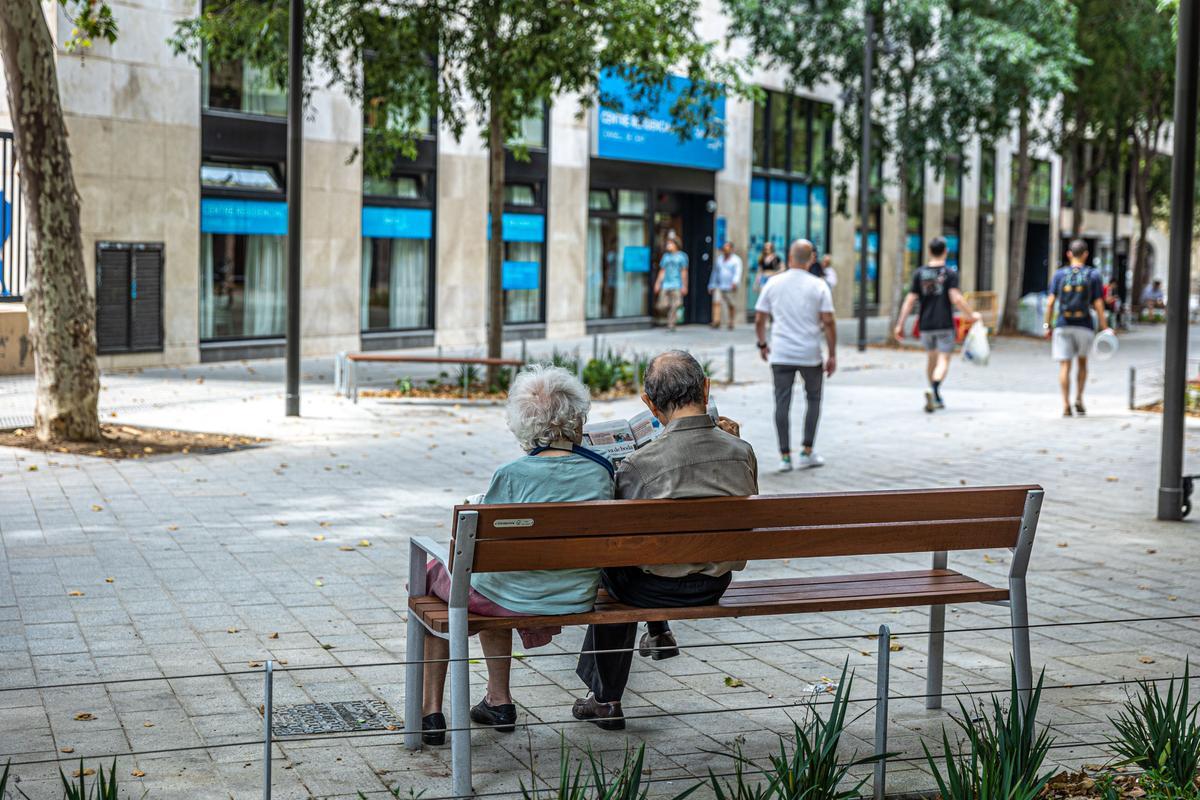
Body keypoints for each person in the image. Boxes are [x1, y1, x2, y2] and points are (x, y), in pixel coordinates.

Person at [420, 365, 614, 744]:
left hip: (516, 594)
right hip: (574, 593)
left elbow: (476, 549)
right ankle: (496, 699)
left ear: (523, 422)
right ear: (577, 417)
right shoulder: (600, 473)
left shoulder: (511, 474)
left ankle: (432, 712)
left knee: (431, 576)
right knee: (499, 580)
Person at [572, 351, 757, 730]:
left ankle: (605, 699)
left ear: (650, 404)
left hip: (650, 588)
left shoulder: (641, 463)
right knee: (645, 558)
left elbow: (617, 535)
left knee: (614, 569)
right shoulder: (742, 452)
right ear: (706, 389)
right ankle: (658, 633)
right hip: (714, 583)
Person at [754, 239, 836, 473]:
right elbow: (828, 322)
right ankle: (807, 452)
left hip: (781, 352)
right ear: (811, 259)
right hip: (810, 354)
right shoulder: (819, 285)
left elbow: (760, 318)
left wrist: (762, 344)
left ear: (789, 257)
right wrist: (832, 354)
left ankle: (785, 457)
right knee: (813, 399)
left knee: (782, 402)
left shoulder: (773, 283)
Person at [893, 236, 982, 413]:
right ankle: (934, 389)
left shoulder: (919, 273)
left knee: (931, 359)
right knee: (943, 360)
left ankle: (934, 393)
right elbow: (956, 298)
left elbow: (910, 300)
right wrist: (971, 315)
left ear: (929, 251)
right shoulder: (949, 273)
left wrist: (900, 324)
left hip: (925, 324)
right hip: (944, 324)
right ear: (945, 251)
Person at [1044, 239, 1112, 417]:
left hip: (1063, 325)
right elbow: (1098, 304)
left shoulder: (1059, 275)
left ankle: (1065, 404)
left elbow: (1050, 302)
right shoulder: (1093, 275)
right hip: (1085, 325)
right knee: (1082, 363)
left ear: (1068, 254)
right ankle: (1079, 399)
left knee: (1065, 365)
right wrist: (1105, 328)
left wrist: (1047, 325)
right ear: (1086, 254)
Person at [654, 236, 689, 331]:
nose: (668, 245)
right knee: (662, 305)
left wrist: (684, 285)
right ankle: (669, 319)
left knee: (676, 304)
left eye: (670, 243)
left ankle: (671, 324)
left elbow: (684, 272)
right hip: (666, 284)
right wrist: (657, 283)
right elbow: (662, 271)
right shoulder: (665, 257)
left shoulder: (682, 256)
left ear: (676, 245)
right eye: (667, 244)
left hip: (677, 283)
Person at [708, 240, 743, 330]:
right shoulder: (719, 259)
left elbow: (738, 272)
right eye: (724, 248)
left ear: (731, 249)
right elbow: (715, 272)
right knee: (716, 302)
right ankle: (716, 321)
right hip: (719, 285)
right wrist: (711, 284)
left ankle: (731, 321)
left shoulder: (736, 260)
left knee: (731, 304)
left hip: (730, 285)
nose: (725, 250)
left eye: (727, 248)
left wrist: (735, 282)